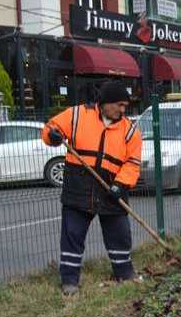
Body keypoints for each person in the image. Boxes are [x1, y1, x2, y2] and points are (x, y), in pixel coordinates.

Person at [42, 80, 142, 297]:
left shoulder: (129, 131)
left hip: (112, 191)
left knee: (120, 234)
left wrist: (121, 184)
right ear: (105, 103)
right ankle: (69, 282)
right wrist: (53, 136)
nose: (123, 110)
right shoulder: (77, 115)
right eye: (120, 105)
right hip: (79, 187)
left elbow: (133, 163)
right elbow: (50, 128)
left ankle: (124, 273)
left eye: (125, 106)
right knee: (72, 235)